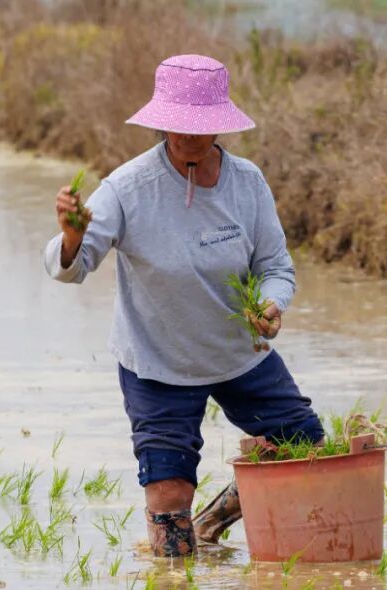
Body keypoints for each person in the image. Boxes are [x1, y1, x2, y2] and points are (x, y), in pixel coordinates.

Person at [43, 54, 324, 557]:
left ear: (221, 124)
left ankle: (212, 520)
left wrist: (271, 304)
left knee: (305, 448)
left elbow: (276, 267)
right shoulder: (127, 189)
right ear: (161, 122)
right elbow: (73, 269)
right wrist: (71, 237)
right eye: (180, 125)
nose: (191, 136)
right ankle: (175, 574)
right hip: (158, 364)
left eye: (202, 125)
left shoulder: (248, 183)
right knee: (170, 500)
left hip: (238, 354)